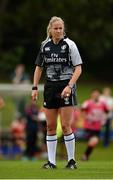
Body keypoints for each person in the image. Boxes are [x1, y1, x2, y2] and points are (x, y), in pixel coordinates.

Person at [31, 16, 82, 169]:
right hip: (50, 88)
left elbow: (78, 68)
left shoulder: (70, 45)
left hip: (66, 87)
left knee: (66, 125)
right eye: (56, 28)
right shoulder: (44, 46)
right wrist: (34, 88)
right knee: (51, 126)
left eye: (61, 28)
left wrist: (69, 86)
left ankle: (71, 161)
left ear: (63, 29)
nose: (59, 31)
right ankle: (51, 162)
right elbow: (39, 68)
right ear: (50, 30)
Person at [81, 89, 109, 161]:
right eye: (94, 94)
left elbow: (107, 111)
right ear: (91, 94)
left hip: (97, 128)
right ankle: (85, 156)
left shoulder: (102, 104)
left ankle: (85, 156)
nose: (96, 95)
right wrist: (87, 118)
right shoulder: (87, 103)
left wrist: (104, 119)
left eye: (97, 94)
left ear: (99, 95)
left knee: (94, 142)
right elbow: (83, 111)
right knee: (94, 140)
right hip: (88, 127)